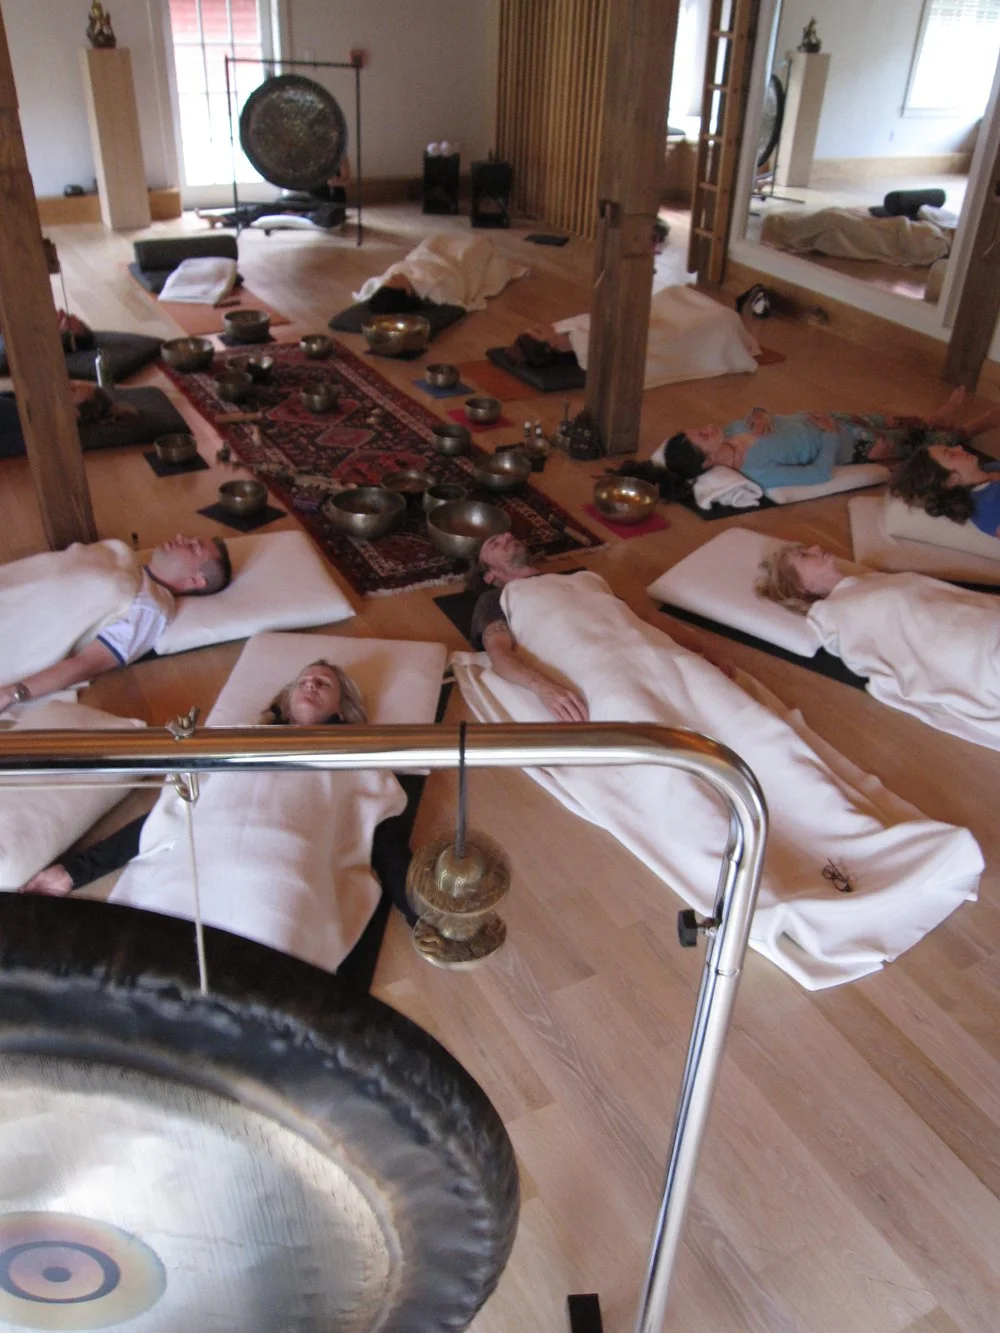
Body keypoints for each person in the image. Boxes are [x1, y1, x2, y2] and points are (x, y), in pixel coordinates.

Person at [18, 659, 417, 984]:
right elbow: (171, 814)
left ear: (341, 708)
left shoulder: (353, 757)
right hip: (199, 861)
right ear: (287, 696)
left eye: (324, 684)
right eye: (304, 680)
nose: (311, 685)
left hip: (280, 874)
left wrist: (424, 911)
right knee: (139, 964)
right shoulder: (234, 739)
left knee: (269, 967)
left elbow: (381, 841)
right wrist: (72, 872)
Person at [756, 543, 1000, 750]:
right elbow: (869, 651)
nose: (817, 547)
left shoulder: (870, 580)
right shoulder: (832, 612)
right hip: (968, 651)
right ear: (801, 586)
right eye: (804, 555)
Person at [622, 388, 1000, 498]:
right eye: (703, 436)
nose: (708, 427)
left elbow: (762, 412)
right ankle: (971, 426)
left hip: (832, 419)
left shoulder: (733, 427)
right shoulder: (758, 471)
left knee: (899, 420)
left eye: (699, 426)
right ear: (706, 462)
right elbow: (819, 473)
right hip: (852, 446)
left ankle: (937, 415)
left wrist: (760, 409)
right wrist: (831, 436)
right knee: (927, 441)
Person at [0, 534, 231, 712]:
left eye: (192, 547)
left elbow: (87, 664)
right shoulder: (122, 554)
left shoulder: (150, 609)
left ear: (195, 580)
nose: (181, 537)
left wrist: (13, 693)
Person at [470, 533, 590, 722]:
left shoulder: (582, 580)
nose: (508, 536)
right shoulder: (494, 599)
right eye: (494, 543)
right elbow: (499, 653)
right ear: (489, 575)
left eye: (507, 534)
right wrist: (545, 688)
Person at [888, 439, 1000, 537]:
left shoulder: (990, 468)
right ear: (950, 480)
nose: (959, 447)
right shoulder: (987, 506)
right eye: (951, 454)